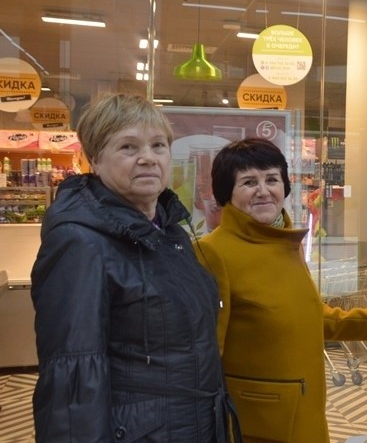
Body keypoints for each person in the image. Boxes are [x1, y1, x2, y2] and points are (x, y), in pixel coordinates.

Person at [31, 93, 239, 442]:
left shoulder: (171, 233)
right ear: (95, 159)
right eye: (128, 147)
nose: (148, 158)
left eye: (158, 145)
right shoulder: (79, 243)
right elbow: (71, 377)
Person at [193, 137, 367, 443]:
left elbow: (308, 316)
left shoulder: (285, 242)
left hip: (304, 412)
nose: (263, 190)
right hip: (258, 425)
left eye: (272, 179)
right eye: (249, 182)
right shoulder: (212, 252)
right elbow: (204, 355)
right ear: (226, 192)